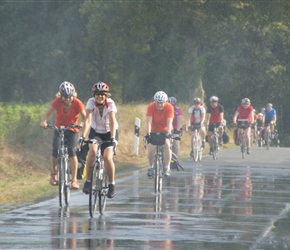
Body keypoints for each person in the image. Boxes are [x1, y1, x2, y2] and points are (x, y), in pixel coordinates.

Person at [40, 81, 86, 189]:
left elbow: (86, 117)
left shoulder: (78, 103)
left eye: (70, 97)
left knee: (72, 152)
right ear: (61, 96)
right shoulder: (57, 101)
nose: (68, 99)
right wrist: (44, 122)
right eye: (65, 97)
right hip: (59, 129)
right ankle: (53, 175)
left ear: (73, 95)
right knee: (55, 150)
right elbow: (47, 113)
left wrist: (82, 123)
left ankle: (74, 180)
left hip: (72, 130)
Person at [81, 82, 118, 199]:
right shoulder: (90, 102)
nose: (99, 96)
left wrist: (113, 138)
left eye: (102, 94)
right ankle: (87, 181)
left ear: (106, 95)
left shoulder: (111, 104)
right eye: (97, 94)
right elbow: (87, 120)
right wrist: (83, 136)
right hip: (95, 132)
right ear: (94, 95)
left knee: (107, 157)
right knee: (92, 150)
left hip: (109, 132)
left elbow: (112, 121)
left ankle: (111, 185)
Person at [145, 91, 174, 178]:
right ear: (155, 101)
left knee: (167, 145)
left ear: (165, 102)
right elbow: (148, 122)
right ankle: (151, 167)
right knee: (151, 147)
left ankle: (167, 167)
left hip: (165, 130)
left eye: (161, 103)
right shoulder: (151, 107)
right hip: (153, 129)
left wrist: (168, 134)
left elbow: (169, 123)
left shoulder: (169, 107)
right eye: (158, 102)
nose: (159, 105)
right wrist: (148, 134)